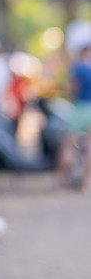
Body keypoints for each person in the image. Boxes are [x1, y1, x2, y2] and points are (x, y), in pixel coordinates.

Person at [57, 43, 91, 189]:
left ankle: (62, 179)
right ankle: (85, 183)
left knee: (68, 144)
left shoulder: (78, 68)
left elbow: (73, 88)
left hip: (79, 108)